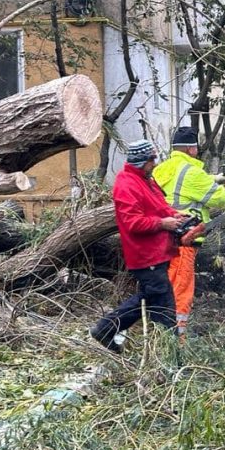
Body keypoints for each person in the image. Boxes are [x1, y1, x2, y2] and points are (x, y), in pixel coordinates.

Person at [89, 139, 188, 353]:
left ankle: (159, 350)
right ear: (142, 161)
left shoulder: (145, 179)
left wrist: (174, 215)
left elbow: (159, 206)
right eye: (152, 159)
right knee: (162, 305)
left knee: (153, 301)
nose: (155, 163)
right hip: (145, 256)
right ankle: (167, 353)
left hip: (157, 254)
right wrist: (163, 223)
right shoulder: (126, 185)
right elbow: (132, 222)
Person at [152, 126, 225, 340]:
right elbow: (219, 198)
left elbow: (184, 185)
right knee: (181, 292)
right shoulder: (191, 172)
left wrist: (218, 178)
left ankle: (158, 337)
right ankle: (175, 343)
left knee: (164, 289)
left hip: (159, 239)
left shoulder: (162, 169)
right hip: (183, 240)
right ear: (191, 149)